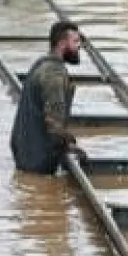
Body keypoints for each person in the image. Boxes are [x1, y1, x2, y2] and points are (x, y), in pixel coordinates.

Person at [11, 21, 88, 175]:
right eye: (75, 41)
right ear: (62, 43)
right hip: (38, 157)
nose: (79, 46)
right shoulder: (54, 73)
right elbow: (54, 123)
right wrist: (71, 144)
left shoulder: (41, 64)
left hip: (25, 150)